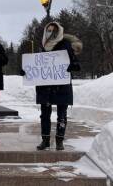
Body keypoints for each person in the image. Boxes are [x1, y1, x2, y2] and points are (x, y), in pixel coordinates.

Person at [21, 22, 81, 151]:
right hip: (45, 86)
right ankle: (45, 140)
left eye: (53, 31)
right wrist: (26, 71)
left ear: (59, 31)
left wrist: (73, 65)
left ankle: (59, 140)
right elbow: (36, 64)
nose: (50, 33)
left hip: (61, 86)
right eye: (48, 30)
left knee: (62, 114)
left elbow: (75, 62)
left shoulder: (65, 44)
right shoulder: (43, 45)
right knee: (45, 114)